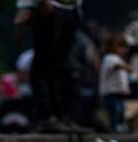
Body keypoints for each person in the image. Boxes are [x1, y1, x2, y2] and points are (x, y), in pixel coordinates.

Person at [14, 0, 85, 133]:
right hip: (49, 8)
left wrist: (77, 8)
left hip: (69, 8)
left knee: (60, 67)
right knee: (42, 66)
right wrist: (27, 6)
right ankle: (47, 118)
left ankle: (61, 117)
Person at [100, 33, 132, 132]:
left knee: (121, 111)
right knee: (115, 111)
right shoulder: (110, 58)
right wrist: (127, 67)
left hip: (119, 92)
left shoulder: (119, 59)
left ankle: (120, 126)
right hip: (111, 92)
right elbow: (116, 66)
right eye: (120, 47)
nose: (123, 50)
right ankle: (114, 128)